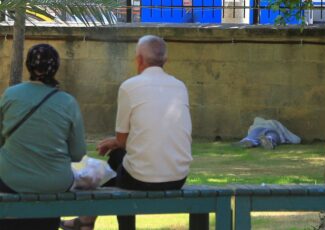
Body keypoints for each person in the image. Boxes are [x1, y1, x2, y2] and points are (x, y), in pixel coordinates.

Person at [61, 35, 193, 230]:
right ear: (165, 60)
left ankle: (88, 221)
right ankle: (85, 221)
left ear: (138, 59)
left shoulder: (130, 86)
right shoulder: (180, 86)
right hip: (178, 178)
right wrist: (118, 141)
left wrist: (115, 142)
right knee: (117, 167)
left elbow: (123, 139)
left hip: (142, 179)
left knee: (114, 162)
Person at [0, 44, 86, 230]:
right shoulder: (68, 102)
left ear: (28, 65)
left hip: (9, 179)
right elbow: (79, 153)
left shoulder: (10, 95)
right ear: (56, 68)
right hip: (55, 182)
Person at [237, 117, 301, 149]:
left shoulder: (253, 126)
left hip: (256, 129)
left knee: (252, 136)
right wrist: (289, 140)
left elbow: (250, 133)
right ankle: (269, 140)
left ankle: (247, 141)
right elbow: (295, 139)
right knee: (272, 136)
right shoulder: (275, 122)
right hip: (272, 129)